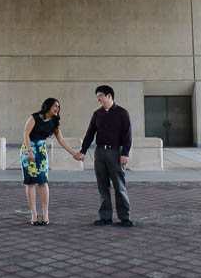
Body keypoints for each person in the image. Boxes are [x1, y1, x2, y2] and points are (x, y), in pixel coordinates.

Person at [21, 97, 82, 225]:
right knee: (30, 182)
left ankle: (45, 214)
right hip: (29, 150)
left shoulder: (55, 122)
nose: (57, 109)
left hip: (42, 151)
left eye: (59, 107)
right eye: (55, 106)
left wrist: (74, 154)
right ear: (48, 106)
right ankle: (33, 214)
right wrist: (30, 151)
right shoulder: (34, 117)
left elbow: (61, 140)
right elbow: (26, 134)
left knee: (43, 181)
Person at [79, 85, 133, 227]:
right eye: (97, 97)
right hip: (100, 152)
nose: (98, 99)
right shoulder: (97, 114)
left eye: (100, 96)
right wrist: (83, 151)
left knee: (119, 185)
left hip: (116, 152)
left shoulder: (122, 113)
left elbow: (128, 135)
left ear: (109, 96)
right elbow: (90, 134)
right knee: (102, 185)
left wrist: (125, 153)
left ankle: (124, 217)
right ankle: (105, 217)